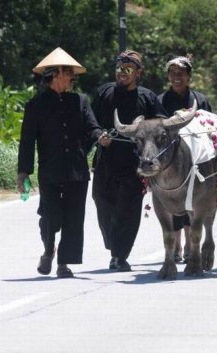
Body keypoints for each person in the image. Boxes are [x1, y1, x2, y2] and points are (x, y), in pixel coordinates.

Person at [17, 47, 106, 278]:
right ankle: (48, 249)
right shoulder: (35, 106)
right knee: (50, 215)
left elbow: (92, 126)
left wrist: (100, 136)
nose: (73, 78)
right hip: (50, 171)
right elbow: (27, 141)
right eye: (69, 73)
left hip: (77, 170)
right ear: (55, 74)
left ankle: (63, 263)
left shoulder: (80, 101)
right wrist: (23, 172)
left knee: (74, 217)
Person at [91, 50, 167, 271]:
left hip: (136, 164)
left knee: (128, 210)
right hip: (106, 159)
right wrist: (98, 135)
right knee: (101, 200)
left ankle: (119, 255)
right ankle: (114, 245)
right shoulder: (104, 92)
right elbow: (91, 122)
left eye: (127, 69)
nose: (121, 73)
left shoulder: (147, 97)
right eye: (119, 68)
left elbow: (161, 122)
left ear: (138, 73)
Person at [158, 55, 212, 263]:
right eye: (172, 73)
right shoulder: (161, 100)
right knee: (171, 202)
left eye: (181, 73)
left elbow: (208, 124)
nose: (176, 77)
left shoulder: (199, 99)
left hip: (195, 158)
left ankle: (191, 246)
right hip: (169, 160)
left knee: (192, 201)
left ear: (189, 76)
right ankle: (177, 247)